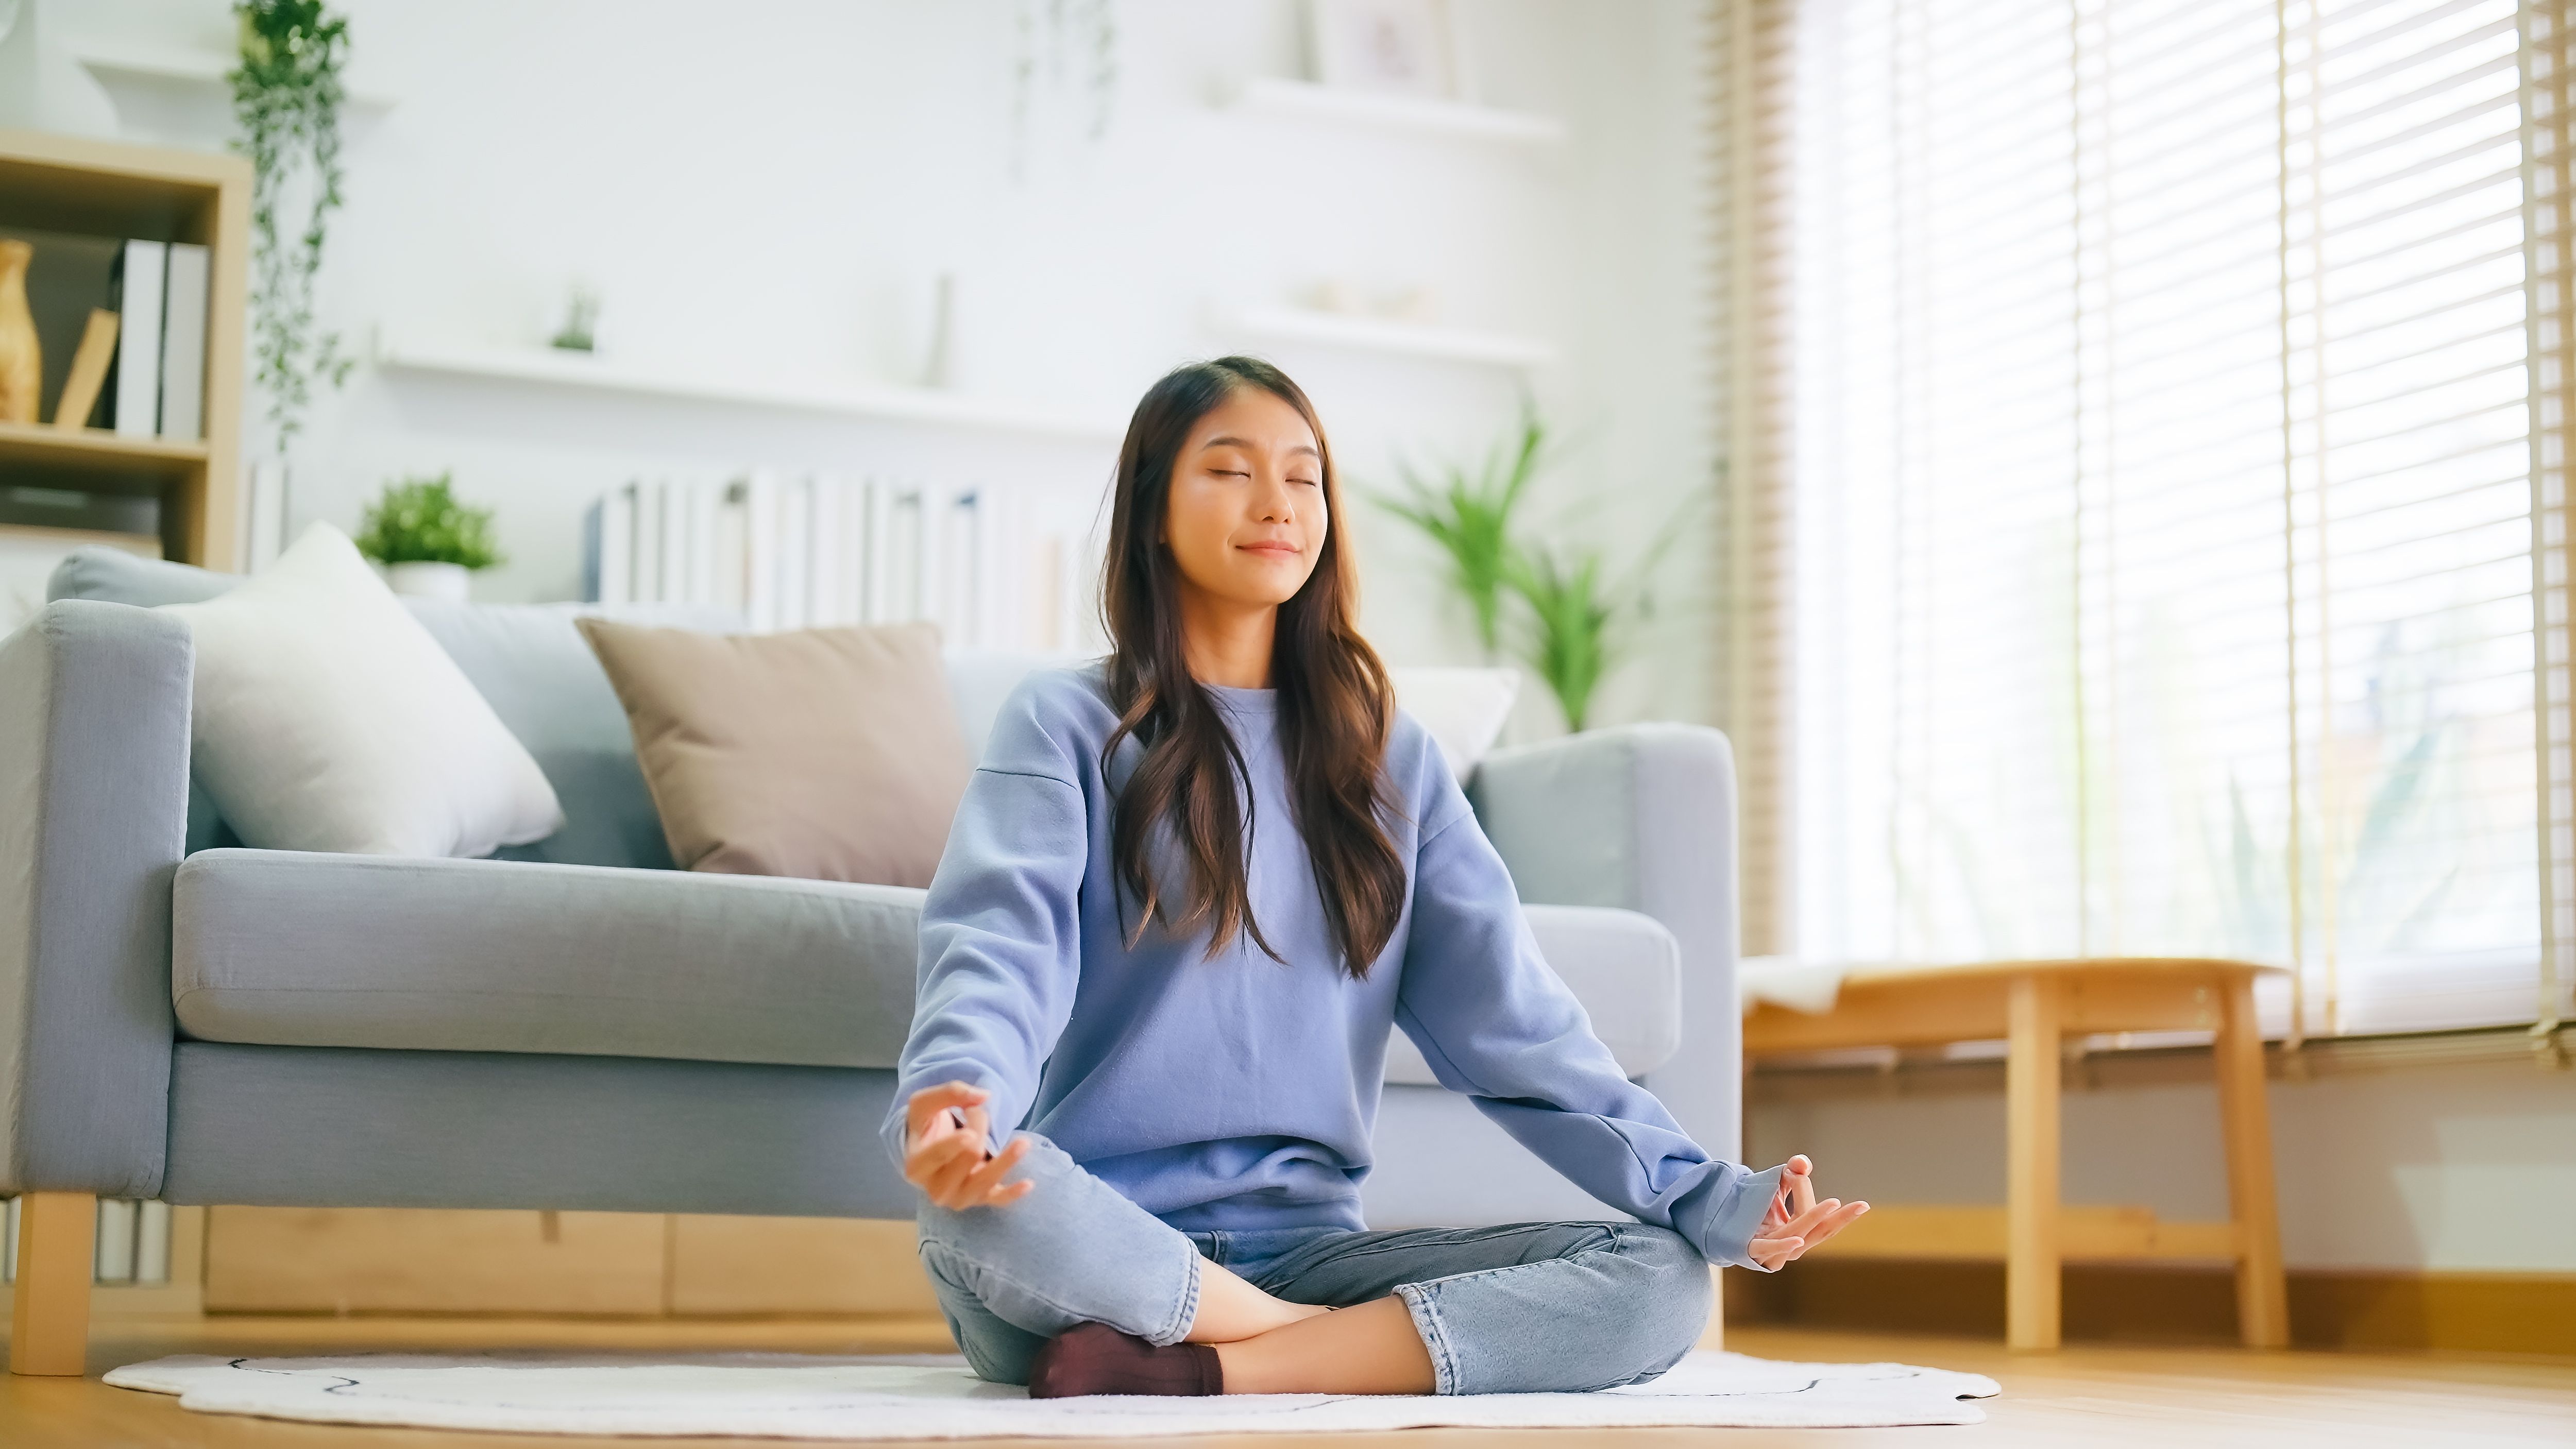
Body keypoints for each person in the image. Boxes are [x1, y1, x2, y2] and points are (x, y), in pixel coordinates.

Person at [883, 356, 1867, 1399]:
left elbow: (1520, 1030)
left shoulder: (1393, 763)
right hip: (1103, 1248)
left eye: (1303, 477)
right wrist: (957, 1110)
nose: (1276, 504)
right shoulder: (1067, 726)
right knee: (981, 1202)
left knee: (1663, 1281)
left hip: (1311, 1248)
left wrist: (1713, 1196)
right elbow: (997, 946)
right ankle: (1307, 1346)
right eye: (1230, 471)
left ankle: (1205, 1371)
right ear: (1153, 513)